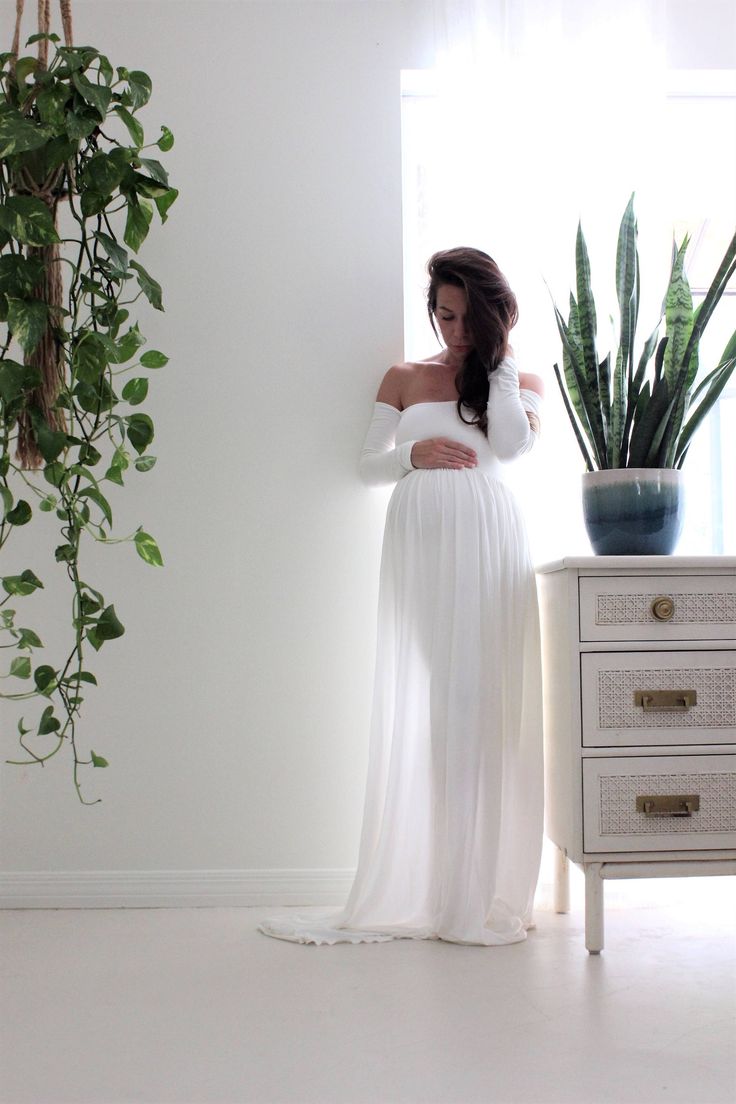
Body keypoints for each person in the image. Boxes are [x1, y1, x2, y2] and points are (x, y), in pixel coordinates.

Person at [259, 247, 544, 946]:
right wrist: (409, 457)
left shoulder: (519, 377)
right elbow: (364, 467)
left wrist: (500, 369)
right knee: (445, 700)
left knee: (485, 702)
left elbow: (509, 449)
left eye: (468, 317)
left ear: (494, 315)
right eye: (444, 315)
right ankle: (440, 888)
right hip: (421, 542)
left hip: (490, 540)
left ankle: (475, 894)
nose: (454, 329)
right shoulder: (405, 376)